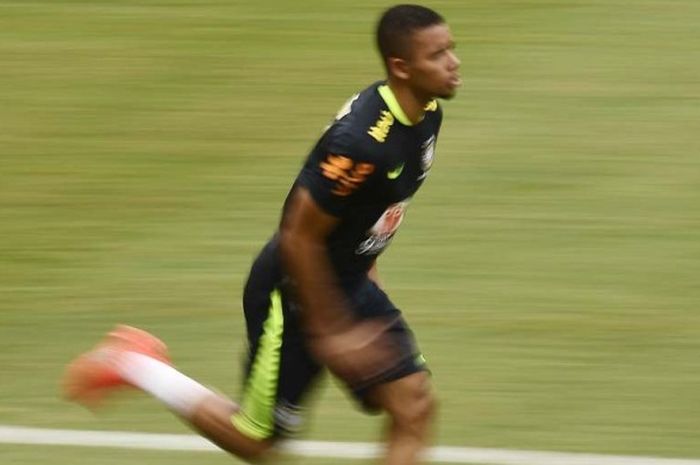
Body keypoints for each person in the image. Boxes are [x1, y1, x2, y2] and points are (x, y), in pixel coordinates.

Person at [63, 4, 460, 464]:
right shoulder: (359, 145)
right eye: (438, 54)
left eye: (451, 49)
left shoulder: (426, 113)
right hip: (293, 290)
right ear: (401, 67)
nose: (453, 62)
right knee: (259, 440)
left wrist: (367, 277)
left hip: (348, 280)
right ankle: (134, 363)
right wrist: (331, 331)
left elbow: (372, 209)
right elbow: (297, 233)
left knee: (412, 404)